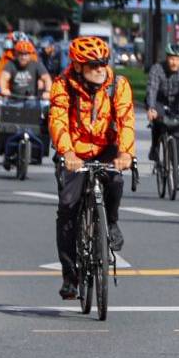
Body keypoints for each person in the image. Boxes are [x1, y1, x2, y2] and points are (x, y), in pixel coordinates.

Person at [46, 35, 135, 300]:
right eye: (93, 64)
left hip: (106, 148)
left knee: (116, 181)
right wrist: (67, 152)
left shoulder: (118, 84)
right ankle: (70, 276)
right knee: (67, 208)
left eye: (103, 63)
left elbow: (126, 118)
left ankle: (113, 222)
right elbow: (58, 120)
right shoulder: (62, 85)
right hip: (73, 152)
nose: (100, 69)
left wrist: (125, 152)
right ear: (77, 66)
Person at [145, 41, 179, 167]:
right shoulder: (157, 69)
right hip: (159, 101)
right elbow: (152, 89)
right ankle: (155, 147)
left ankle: (175, 169)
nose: (174, 62)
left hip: (176, 104)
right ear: (167, 58)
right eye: (172, 58)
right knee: (158, 122)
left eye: (177, 59)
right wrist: (151, 108)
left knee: (177, 133)